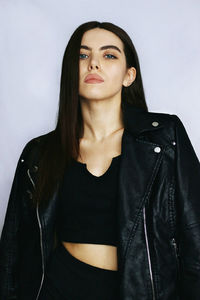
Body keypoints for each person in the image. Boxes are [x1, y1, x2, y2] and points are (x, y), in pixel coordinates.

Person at [0, 20, 200, 300]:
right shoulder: (40, 153)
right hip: (58, 288)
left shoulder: (164, 139)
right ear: (71, 71)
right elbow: (12, 251)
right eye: (83, 56)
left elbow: (195, 236)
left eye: (109, 55)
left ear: (128, 75)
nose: (93, 64)